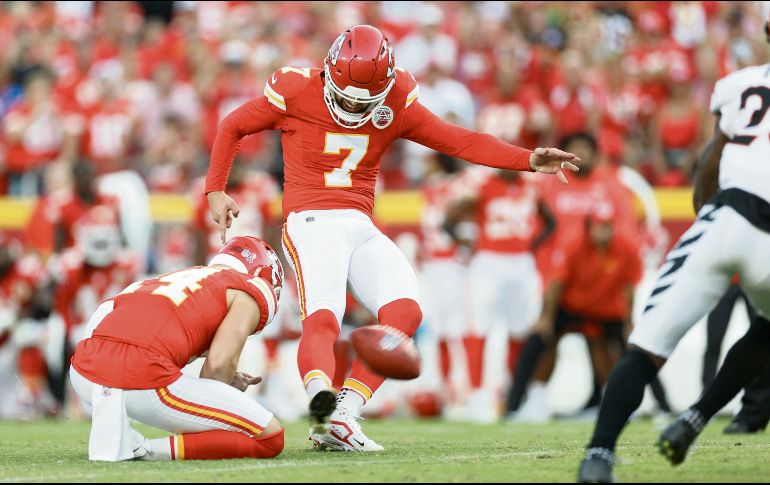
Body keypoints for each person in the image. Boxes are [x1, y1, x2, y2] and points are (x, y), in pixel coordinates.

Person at [205, 24, 580, 451]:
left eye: (361, 101)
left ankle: (344, 413)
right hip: (310, 218)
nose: (351, 107)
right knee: (325, 316)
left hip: (360, 222)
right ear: (328, 72)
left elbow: (459, 141)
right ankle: (321, 411)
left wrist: (526, 159)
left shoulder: (398, 98)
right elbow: (233, 124)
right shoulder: (295, 88)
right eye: (344, 96)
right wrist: (215, 187)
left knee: (406, 312)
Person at [578, 16, 770, 481]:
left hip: (725, 215)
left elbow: (711, 159)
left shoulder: (737, 84)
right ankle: (696, 417)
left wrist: (707, 218)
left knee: (647, 344)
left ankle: (599, 455)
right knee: (767, 330)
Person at [69, 236, 285, 461]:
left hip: (84, 374)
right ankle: (145, 448)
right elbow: (218, 367)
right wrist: (223, 394)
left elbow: (102, 315)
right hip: (141, 375)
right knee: (270, 437)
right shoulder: (250, 287)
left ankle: (124, 434)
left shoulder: (168, 277)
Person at [507, 203, 640, 422]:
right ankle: (525, 401)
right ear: (589, 226)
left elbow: (629, 287)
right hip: (570, 306)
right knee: (541, 341)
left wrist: (629, 322)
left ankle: (624, 402)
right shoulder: (573, 243)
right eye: (599, 226)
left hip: (605, 308)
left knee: (632, 349)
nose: (603, 231)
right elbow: (556, 283)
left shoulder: (626, 247)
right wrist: (546, 318)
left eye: (607, 226)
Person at [445, 168, 555, 423]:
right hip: (489, 261)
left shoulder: (531, 187)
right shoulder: (483, 186)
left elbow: (550, 222)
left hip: (521, 262)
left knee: (520, 330)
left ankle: (515, 396)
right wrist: (465, 245)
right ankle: (478, 396)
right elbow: (449, 220)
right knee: (478, 328)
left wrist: (531, 246)